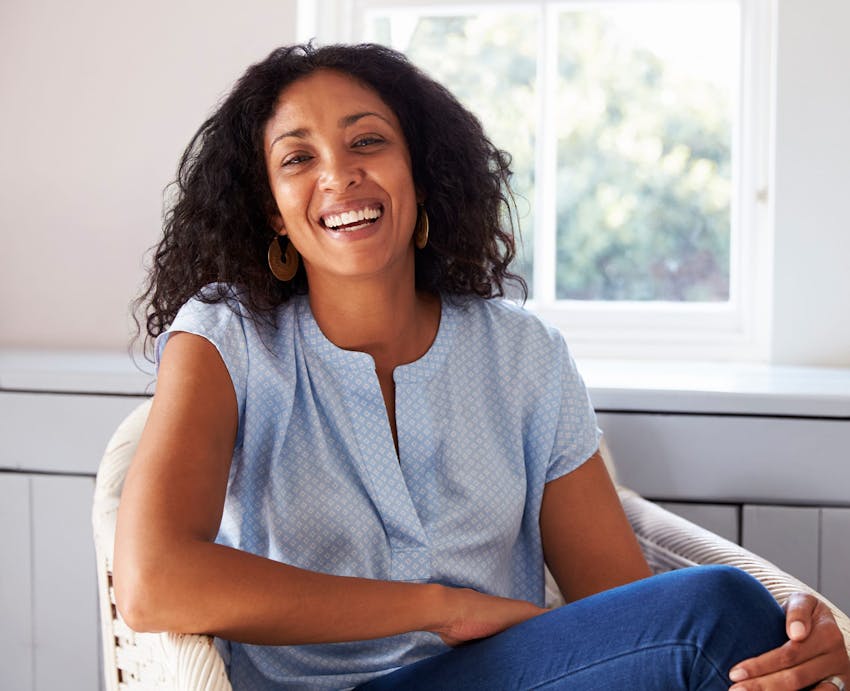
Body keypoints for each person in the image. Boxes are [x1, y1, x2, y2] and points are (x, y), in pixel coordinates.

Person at [114, 43, 849, 690]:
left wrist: (780, 647)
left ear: (421, 174)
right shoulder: (227, 337)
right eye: (297, 158)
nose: (339, 174)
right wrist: (441, 608)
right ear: (273, 210)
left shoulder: (522, 355)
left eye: (367, 141)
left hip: (514, 675)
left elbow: (622, 609)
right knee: (719, 611)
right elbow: (152, 581)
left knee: (742, 634)